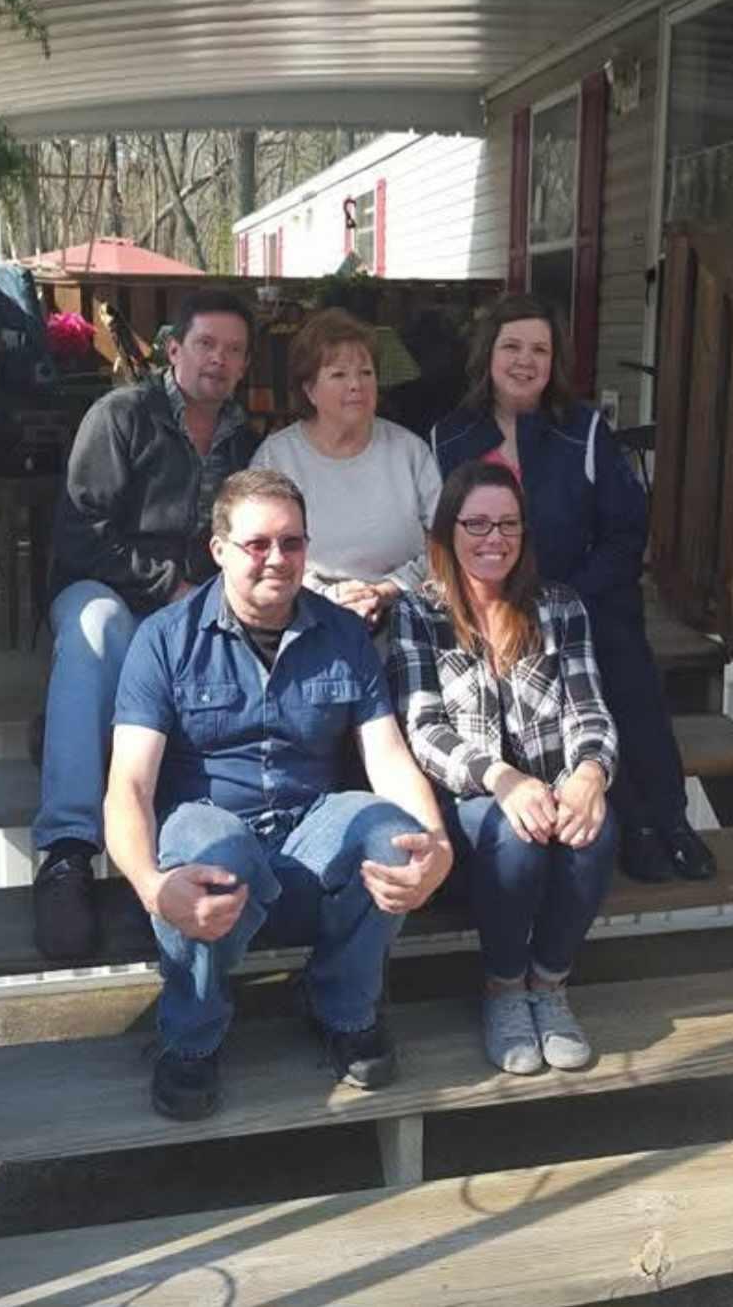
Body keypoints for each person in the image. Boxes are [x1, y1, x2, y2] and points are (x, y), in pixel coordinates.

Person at [105, 468, 453, 1121]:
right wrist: (151, 885)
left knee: (394, 837)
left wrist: (436, 848)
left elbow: (388, 756)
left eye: (291, 543)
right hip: (210, 840)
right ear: (219, 549)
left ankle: (342, 1006)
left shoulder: (342, 635)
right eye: (257, 543)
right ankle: (190, 1035)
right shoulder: (165, 639)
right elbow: (128, 782)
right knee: (214, 847)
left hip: (308, 833)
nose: (276, 558)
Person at [431, 293, 715, 886]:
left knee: (626, 677)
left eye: (540, 349)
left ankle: (669, 819)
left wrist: (570, 600)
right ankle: (629, 826)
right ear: (488, 355)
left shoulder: (582, 430)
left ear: (554, 361)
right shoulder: (450, 437)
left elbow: (624, 531)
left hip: (585, 593)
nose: (524, 360)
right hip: (491, 605)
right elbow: (446, 530)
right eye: (511, 346)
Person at [32, 288, 258, 963]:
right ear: (173, 349)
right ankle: (67, 851)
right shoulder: (120, 416)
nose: (219, 360)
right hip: (106, 591)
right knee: (99, 627)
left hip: (193, 602)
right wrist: (172, 587)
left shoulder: (245, 440)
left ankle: (182, 841)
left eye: (234, 350)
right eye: (207, 344)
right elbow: (79, 535)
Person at [388, 460, 617, 1074]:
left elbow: (587, 707)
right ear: (448, 532)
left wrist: (589, 774)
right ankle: (505, 989)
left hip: (551, 783)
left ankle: (549, 983)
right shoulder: (419, 613)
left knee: (596, 833)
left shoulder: (560, 607)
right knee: (513, 837)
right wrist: (503, 779)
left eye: (508, 525)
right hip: (470, 802)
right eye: (478, 524)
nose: (494, 539)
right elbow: (424, 729)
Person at [251, 307, 441, 631]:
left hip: (405, 614)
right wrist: (328, 595)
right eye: (339, 375)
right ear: (310, 390)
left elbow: (448, 542)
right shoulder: (277, 457)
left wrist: (385, 591)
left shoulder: (411, 451)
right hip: (302, 614)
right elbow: (257, 549)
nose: (356, 385)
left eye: (366, 373)